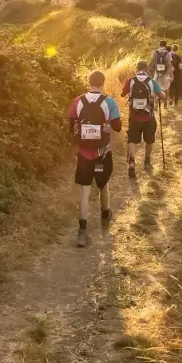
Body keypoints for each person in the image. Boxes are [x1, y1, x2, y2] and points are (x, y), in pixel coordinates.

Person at [69, 71, 121, 247]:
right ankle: (105, 213)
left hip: (83, 153)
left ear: (89, 82)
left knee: (84, 190)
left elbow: (71, 125)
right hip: (102, 153)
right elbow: (118, 127)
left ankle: (82, 230)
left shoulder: (78, 101)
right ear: (102, 83)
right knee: (103, 184)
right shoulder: (109, 102)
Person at [123, 60, 162, 177]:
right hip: (148, 117)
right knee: (149, 139)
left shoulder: (130, 81)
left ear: (137, 69)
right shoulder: (151, 81)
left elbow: (122, 94)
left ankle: (132, 162)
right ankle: (147, 161)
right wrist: (161, 94)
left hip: (134, 117)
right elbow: (162, 95)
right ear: (146, 69)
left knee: (132, 140)